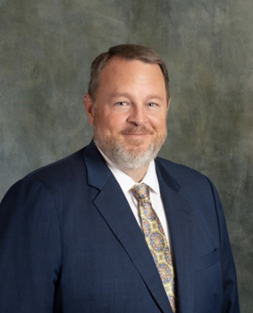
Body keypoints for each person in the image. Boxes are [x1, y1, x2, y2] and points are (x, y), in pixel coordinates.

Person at [0, 44, 240, 313]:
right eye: (122, 103)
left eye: (152, 103)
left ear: (167, 108)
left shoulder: (200, 192)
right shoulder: (40, 199)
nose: (139, 119)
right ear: (91, 109)